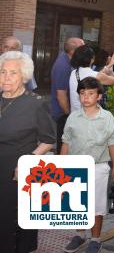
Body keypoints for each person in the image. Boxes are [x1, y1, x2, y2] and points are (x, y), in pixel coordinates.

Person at [0, 51, 55, 253]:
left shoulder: (35, 103)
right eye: (2, 72)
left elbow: (49, 140)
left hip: (17, 174)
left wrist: (27, 162)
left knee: (12, 225)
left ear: (23, 76)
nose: (6, 77)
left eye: (13, 73)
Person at [61, 77, 114, 253]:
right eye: (82, 93)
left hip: (98, 167)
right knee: (77, 203)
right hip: (75, 166)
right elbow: (66, 142)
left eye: (91, 93)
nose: (86, 97)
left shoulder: (107, 117)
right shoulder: (73, 117)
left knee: (96, 205)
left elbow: (112, 142)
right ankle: (80, 235)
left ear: (99, 96)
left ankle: (95, 239)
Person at [50, 37, 84, 153]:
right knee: (63, 146)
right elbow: (61, 94)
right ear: (73, 51)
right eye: (82, 48)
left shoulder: (68, 60)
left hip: (64, 112)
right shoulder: (63, 66)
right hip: (62, 113)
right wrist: (68, 114)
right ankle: (61, 168)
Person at [69, 45, 114, 111]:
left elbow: (94, 77)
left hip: (74, 115)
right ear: (92, 59)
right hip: (87, 117)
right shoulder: (96, 76)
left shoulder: (73, 73)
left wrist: (110, 65)